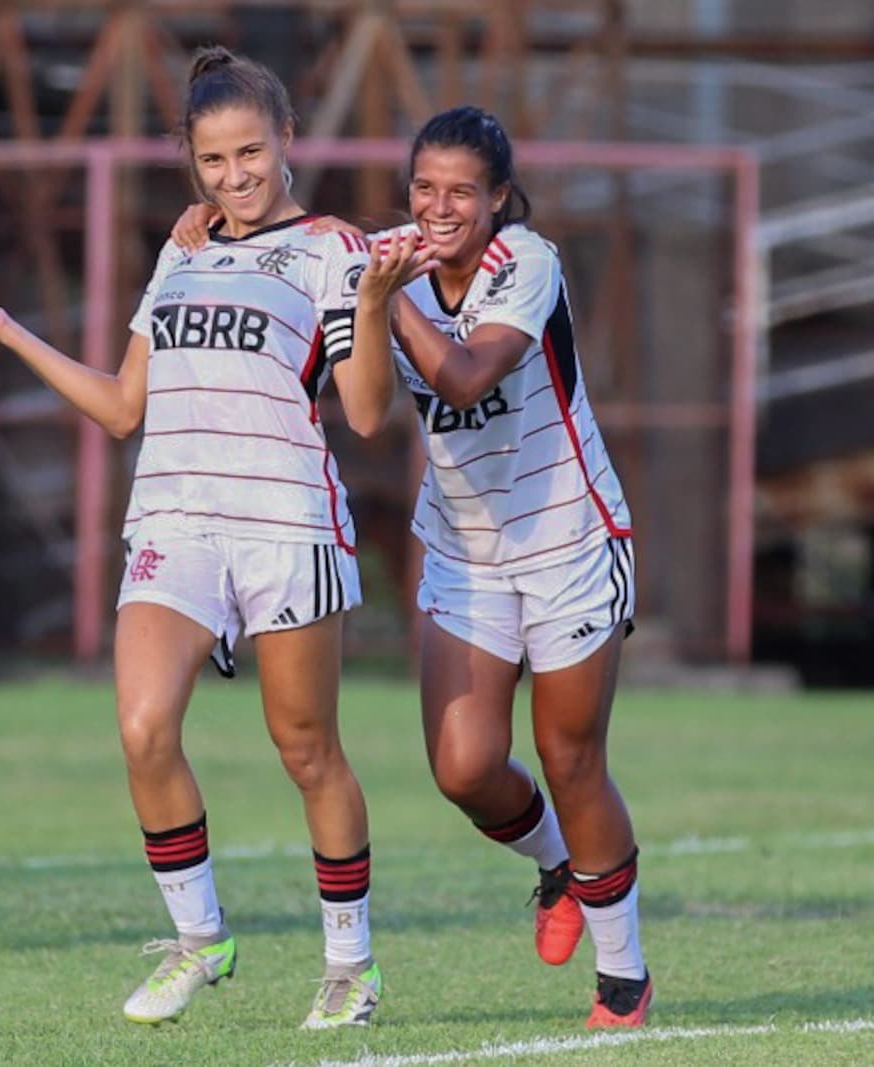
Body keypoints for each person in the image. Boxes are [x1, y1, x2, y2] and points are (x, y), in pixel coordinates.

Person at [0, 47, 431, 1028]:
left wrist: (370, 302)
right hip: (172, 520)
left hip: (284, 522)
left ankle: (349, 963)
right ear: (189, 165)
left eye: (249, 153)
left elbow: (364, 414)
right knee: (144, 728)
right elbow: (120, 408)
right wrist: (9, 330)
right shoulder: (180, 250)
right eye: (212, 161)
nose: (233, 175)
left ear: (284, 141)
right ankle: (199, 939)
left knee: (306, 747)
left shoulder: (335, 248)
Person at [171, 104, 651, 1029]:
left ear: (498, 198)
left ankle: (622, 972)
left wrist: (383, 298)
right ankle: (558, 865)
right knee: (465, 768)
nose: (438, 206)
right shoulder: (382, 253)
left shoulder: (530, 263)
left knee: (568, 755)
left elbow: (467, 375)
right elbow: (288, 239)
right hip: (466, 551)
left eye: (462, 191)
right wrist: (203, 227)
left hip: (567, 541)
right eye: (424, 187)